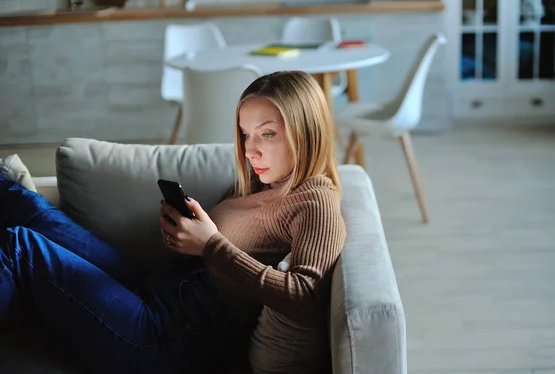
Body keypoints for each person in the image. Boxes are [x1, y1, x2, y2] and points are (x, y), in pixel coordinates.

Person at [0, 71, 346, 373]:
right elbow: (210, 256)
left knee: (20, 245)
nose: (250, 150)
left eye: (267, 134)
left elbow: (305, 297)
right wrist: (183, 238)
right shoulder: (259, 182)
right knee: (29, 209)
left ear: (306, 131)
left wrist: (211, 245)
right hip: (155, 289)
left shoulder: (316, 202)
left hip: (162, 337)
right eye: (244, 134)